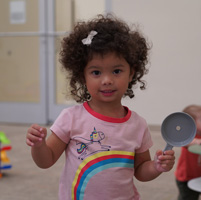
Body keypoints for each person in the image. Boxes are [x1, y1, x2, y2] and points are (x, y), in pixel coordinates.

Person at [26, 14, 175, 200]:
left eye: (117, 71)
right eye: (96, 72)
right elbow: (45, 161)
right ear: (82, 76)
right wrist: (38, 145)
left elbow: (140, 171)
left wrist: (156, 167)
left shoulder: (138, 125)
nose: (107, 80)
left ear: (131, 73)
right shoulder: (71, 118)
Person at [175, 105, 201, 200]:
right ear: (192, 123)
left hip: (200, 176)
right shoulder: (190, 136)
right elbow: (183, 141)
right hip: (186, 178)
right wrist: (195, 142)